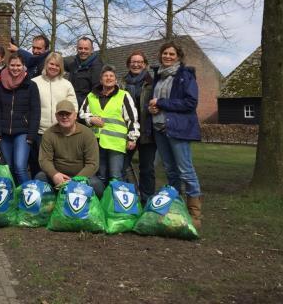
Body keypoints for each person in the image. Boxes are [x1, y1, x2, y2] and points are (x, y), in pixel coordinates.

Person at [149, 41, 203, 229]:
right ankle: (177, 207)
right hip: (160, 129)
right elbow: (156, 100)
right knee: (170, 171)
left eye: (172, 54)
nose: (168, 57)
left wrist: (162, 103)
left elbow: (190, 103)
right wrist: (153, 106)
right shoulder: (158, 76)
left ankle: (195, 214)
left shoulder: (185, 76)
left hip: (178, 130)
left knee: (185, 170)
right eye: (165, 53)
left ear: (178, 57)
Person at [80, 65, 139, 186]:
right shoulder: (91, 95)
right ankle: (102, 203)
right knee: (100, 176)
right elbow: (82, 112)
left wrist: (132, 137)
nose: (108, 78)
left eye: (111, 76)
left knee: (115, 176)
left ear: (116, 80)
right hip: (96, 142)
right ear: (101, 80)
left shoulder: (124, 95)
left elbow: (132, 118)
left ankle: (116, 204)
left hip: (116, 143)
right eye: (105, 76)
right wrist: (91, 119)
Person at [0, 53, 40, 185]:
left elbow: (36, 111)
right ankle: (14, 197)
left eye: (18, 65)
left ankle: (27, 198)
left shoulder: (31, 85)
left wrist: (31, 134)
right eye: (12, 65)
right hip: (4, 133)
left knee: (20, 167)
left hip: (23, 132)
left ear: (23, 66)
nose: (15, 68)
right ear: (8, 66)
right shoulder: (0, 84)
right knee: (10, 168)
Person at [36, 100, 103, 197]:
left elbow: (92, 163)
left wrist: (76, 180)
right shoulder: (48, 134)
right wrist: (54, 174)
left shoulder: (87, 134)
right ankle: (50, 204)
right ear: (56, 116)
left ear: (75, 115)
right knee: (39, 178)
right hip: (58, 176)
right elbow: (44, 160)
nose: (64, 117)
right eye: (61, 114)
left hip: (81, 177)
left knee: (97, 185)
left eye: (68, 114)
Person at [31, 52, 78, 177]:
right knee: (38, 165)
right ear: (46, 64)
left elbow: (74, 107)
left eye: (57, 65)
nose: (53, 67)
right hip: (39, 132)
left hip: (60, 132)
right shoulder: (34, 82)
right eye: (51, 64)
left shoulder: (66, 84)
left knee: (58, 166)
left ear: (61, 67)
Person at [121, 50, 157, 203]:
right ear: (129, 64)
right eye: (133, 62)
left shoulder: (152, 82)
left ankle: (147, 200)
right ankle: (130, 197)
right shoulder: (121, 83)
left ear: (145, 65)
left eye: (139, 62)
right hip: (127, 131)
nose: (136, 64)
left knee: (147, 168)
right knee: (122, 165)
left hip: (147, 130)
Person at [64, 36, 103, 107]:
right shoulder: (74, 64)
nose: (83, 51)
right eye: (80, 48)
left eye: (86, 49)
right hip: (73, 105)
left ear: (92, 50)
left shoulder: (97, 67)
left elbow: (96, 92)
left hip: (86, 108)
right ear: (77, 49)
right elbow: (62, 64)